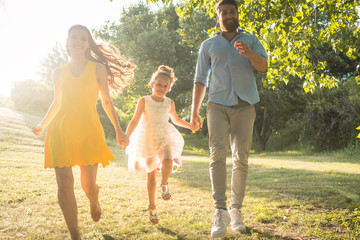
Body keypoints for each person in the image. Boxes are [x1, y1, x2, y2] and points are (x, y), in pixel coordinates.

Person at [32, 24, 135, 240]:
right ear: (67, 43)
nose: (78, 42)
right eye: (74, 38)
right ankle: (75, 234)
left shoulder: (98, 68)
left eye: (83, 38)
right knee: (64, 183)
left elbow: (106, 101)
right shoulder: (58, 72)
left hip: (88, 130)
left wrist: (118, 129)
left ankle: (93, 199)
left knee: (88, 185)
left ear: (88, 44)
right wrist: (43, 124)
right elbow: (57, 102)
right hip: (61, 130)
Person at [190, 0, 268, 238]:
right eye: (223, 12)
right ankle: (220, 210)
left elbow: (263, 67)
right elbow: (200, 79)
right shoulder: (209, 45)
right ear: (218, 17)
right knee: (217, 154)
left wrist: (249, 52)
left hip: (245, 106)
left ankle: (236, 210)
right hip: (217, 105)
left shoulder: (251, 39)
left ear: (237, 14)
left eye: (232, 11)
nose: (228, 14)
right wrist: (194, 111)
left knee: (241, 158)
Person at [125, 65, 195, 224]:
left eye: (165, 86)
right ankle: (152, 207)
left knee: (168, 160)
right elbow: (135, 120)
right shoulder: (144, 101)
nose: (162, 88)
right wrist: (126, 136)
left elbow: (176, 120)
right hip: (147, 139)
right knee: (151, 177)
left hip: (164, 136)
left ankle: (165, 184)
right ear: (152, 84)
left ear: (169, 88)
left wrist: (190, 125)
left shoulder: (169, 103)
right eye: (159, 84)